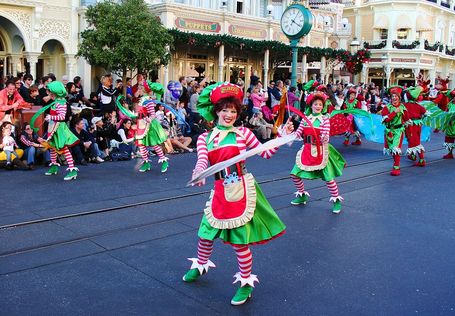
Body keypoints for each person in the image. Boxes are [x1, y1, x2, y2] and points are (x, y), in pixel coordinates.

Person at [183, 83, 287, 306]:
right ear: (216, 111)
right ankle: (200, 266)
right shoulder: (205, 138)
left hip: (240, 190)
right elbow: (203, 160)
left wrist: (281, 138)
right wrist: (199, 172)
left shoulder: (243, 133)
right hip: (220, 190)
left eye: (233, 111)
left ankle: (246, 284)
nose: (229, 115)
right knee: (205, 233)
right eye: (225, 110)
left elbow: (265, 153)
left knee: (240, 242)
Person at [288, 92, 345, 213]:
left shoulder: (325, 120)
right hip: (307, 150)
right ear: (311, 105)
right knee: (294, 174)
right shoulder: (305, 119)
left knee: (328, 178)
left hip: (321, 151)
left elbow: (326, 133)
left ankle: (336, 201)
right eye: (315, 104)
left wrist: (324, 137)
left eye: (320, 104)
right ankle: (302, 195)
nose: (318, 106)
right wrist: (287, 133)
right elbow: (298, 134)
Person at [42, 81, 80, 181]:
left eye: (50, 92)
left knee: (63, 148)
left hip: (59, 128)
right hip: (53, 127)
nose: (49, 94)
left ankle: (72, 170)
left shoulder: (61, 102)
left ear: (55, 92)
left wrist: (51, 117)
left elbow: (62, 116)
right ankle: (54, 167)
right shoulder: (57, 101)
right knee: (53, 147)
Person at [135, 96, 169, 173]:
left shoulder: (148, 101)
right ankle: (146, 163)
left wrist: (149, 119)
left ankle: (164, 161)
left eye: (141, 87)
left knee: (154, 144)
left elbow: (153, 114)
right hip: (141, 124)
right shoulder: (140, 101)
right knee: (141, 145)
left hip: (149, 125)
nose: (139, 89)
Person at [381, 86, 410, 176]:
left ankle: (396, 167)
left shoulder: (403, 107)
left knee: (396, 148)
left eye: (396, 96)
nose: (394, 98)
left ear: (399, 97)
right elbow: (386, 120)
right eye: (392, 96)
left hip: (398, 131)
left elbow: (407, 119)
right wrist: (394, 112)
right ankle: (395, 163)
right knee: (391, 150)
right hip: (389, 131)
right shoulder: (387, 107)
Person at [404, 86, 427, 166]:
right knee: (414, 139)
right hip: (418, 124)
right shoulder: (419, 106)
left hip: (410, 125)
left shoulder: (405, 105)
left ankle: (421, 159)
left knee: (414, 140)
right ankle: (412, 155)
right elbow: (425, 113)